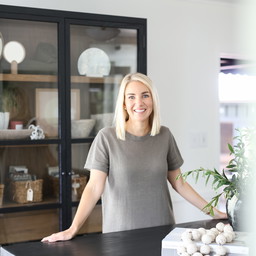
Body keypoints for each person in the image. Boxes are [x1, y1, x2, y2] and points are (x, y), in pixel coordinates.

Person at [42, 72, 227, 243]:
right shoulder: (107, 137)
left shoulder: (165, 136)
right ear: (123, 103)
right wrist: (72, 229)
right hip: (120, 235)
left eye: (145, 95)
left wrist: (215, 212)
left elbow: (179, 183)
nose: (139, 102)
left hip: (162, 230)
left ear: (153, 100)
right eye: (131, 97)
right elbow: (93, 187)